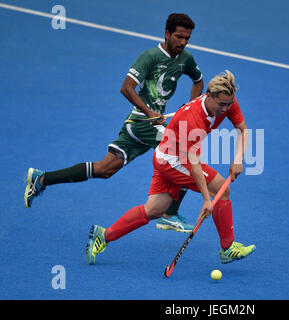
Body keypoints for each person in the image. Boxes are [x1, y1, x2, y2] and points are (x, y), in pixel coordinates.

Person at [24, 13, 204, 232]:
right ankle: (169, 213)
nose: (183, 42)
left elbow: (198, 81)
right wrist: (148, 112)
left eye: (187, 38)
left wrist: (189, 108)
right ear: (166, 34)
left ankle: (42, 179)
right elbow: (126, 87)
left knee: (104, 169)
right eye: (179, 37)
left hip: (147, 126)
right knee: (182, 151)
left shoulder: (186, 59)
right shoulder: (149, 57)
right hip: (142, 122)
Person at [85, 70, 256, 266]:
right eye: (221, 104)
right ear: (208, 96)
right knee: (221, 189)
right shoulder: (193, 120)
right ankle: (228, 248)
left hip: (165, 155)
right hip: (173, 161)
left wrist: (238, 160)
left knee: (155, 209)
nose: (225, 109)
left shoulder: (228, 102)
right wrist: (207, 199)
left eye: (228, 104)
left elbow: (242, 130)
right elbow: (194, 163)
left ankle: (104, 235)